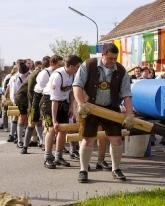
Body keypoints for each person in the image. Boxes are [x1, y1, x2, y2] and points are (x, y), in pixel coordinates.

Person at [73, 43, 133, 183]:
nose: (113, 61)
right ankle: (83, 170)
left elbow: (126, 94)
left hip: (111, 108)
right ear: (103, 54)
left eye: (115, 58)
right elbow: (77, 85)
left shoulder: (121, 70)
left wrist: (129, 113)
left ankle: (116, 169)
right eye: (110, 58)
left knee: (116, 139)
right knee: (88, 139)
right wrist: (81, 104)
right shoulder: (88, 65)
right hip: (91, 108)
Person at [38, 55, 64, 168]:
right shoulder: (50, 74)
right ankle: (48, 157)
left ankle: (58, 156)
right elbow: (41, 88)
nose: (61, 66)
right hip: (48, 99)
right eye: (60, 64)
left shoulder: (72, 74)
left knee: (63, 129)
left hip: (62, 101)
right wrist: (54, 119)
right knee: (51, 128)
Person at [20, 57, 49, 154]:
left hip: (41, 101)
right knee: (32, 123)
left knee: (42, 124)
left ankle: (43, 144)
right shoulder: (38, 74)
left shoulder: (43, 73)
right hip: (35, 101)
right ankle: (25, 146)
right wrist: (32, 105)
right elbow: (30, 91)